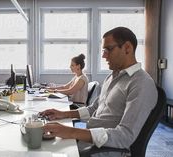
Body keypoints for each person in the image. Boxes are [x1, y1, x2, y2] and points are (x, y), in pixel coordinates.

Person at [40, 27, 158, 156]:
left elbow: (124, 136)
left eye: (108, 49)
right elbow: (93, 109)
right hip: (89, 140)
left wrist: (71, 132)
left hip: (104, 150)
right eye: (103, 50)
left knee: (42, 151)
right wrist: (63, 114)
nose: (103, 55)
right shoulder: (111, 77)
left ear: (127, 48)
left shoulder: (141, 83)